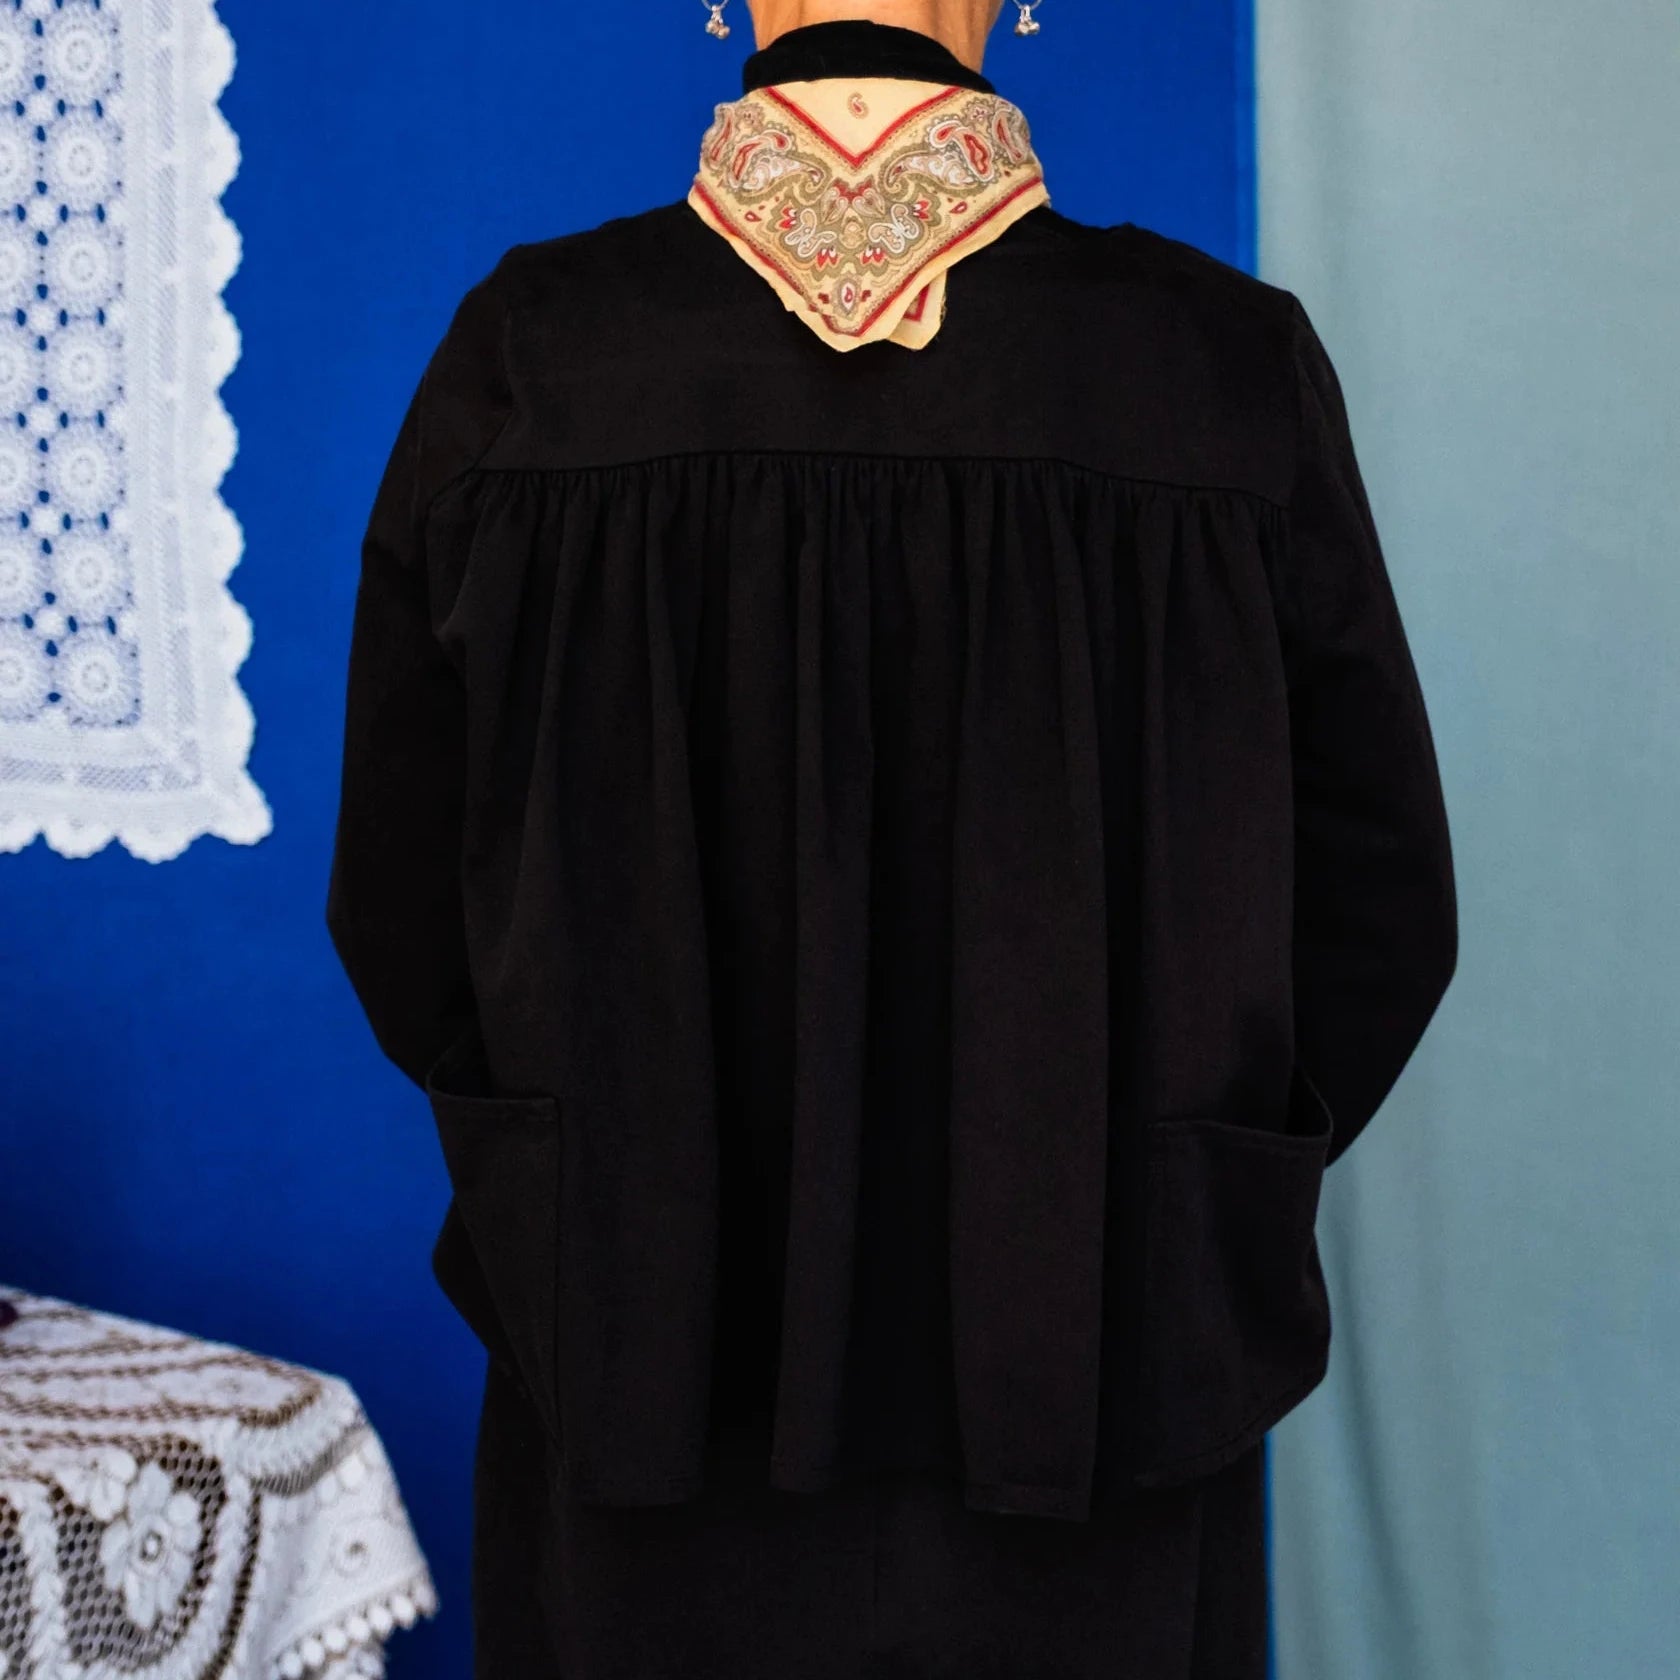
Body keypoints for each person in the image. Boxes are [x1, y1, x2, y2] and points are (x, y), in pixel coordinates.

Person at [324, 2, 1459, 1675]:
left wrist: (601, 1152)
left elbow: (399, 900)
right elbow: (1381, 906)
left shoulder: (538, 358)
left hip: (649, 1331)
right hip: (1096, 1351)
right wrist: (1155, 1172)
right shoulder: (1222, 366)